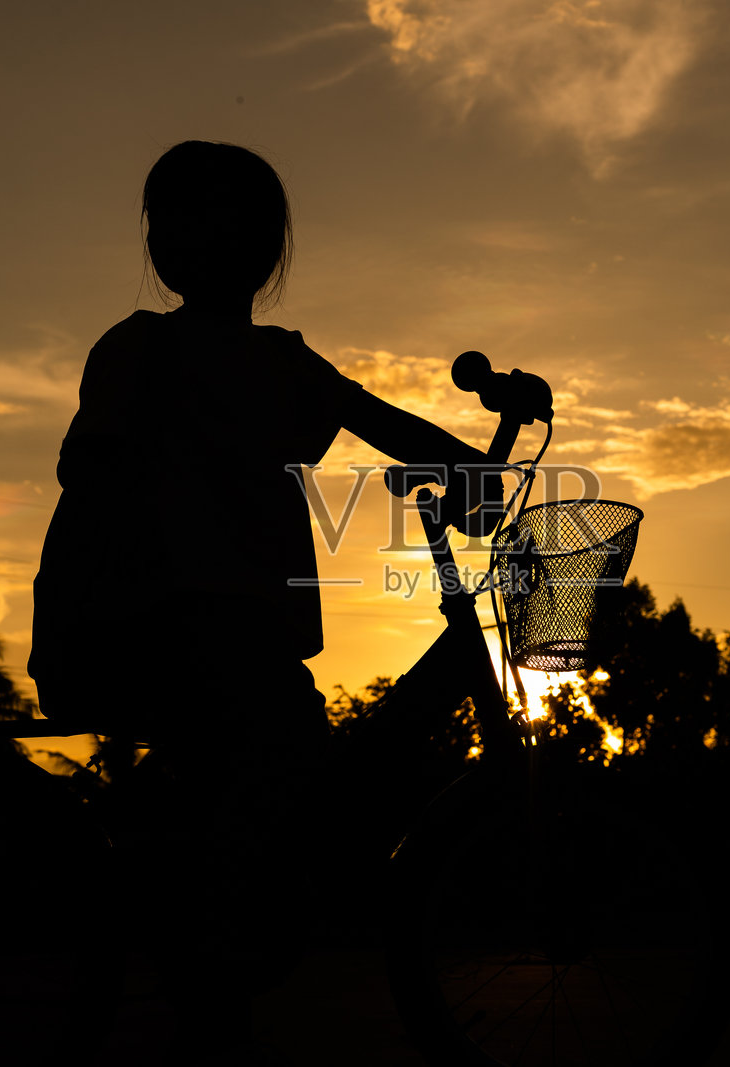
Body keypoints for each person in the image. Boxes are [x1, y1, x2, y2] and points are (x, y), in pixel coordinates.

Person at [28, 139, 491, 1060]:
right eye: (182, 219)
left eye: (215, 219)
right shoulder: (155, 352)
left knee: (270, 773)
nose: (198, 239)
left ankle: (209, 944)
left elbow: (376, 419)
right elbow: (90, 465)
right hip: (167, 621)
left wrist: (473, 468)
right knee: (282, 760)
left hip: (215, 626)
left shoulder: (257, 361)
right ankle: (211, 948)